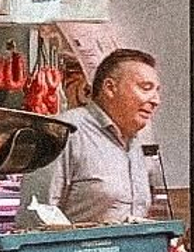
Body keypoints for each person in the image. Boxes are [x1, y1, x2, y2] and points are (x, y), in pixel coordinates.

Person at [16, 47, 164, 227]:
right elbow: (35, 216)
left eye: (157, 91)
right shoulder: (62, 133)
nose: (155, 100)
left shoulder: (134, 143)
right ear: (110, 88)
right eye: (146, 88)